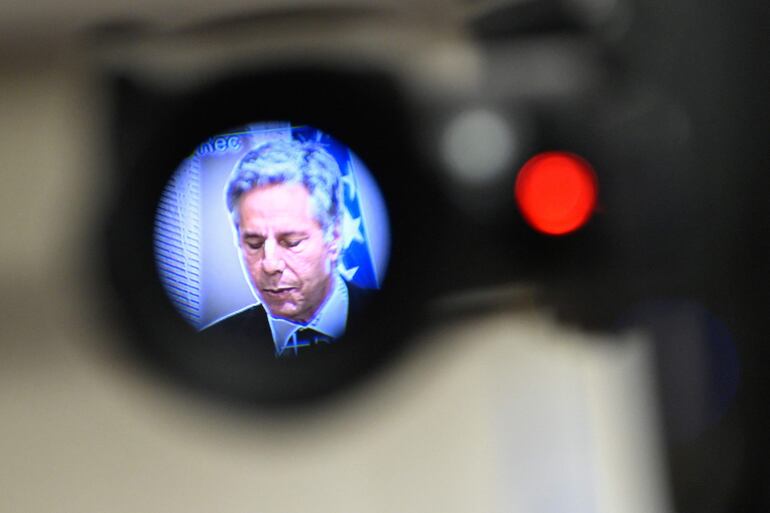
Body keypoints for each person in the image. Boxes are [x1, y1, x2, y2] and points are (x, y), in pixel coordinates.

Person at [202, 139, 366, 357]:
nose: (270, 265)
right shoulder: (208, 347)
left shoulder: (396, 316)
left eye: (292, 242)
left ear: (334, 237)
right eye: (254, 244)